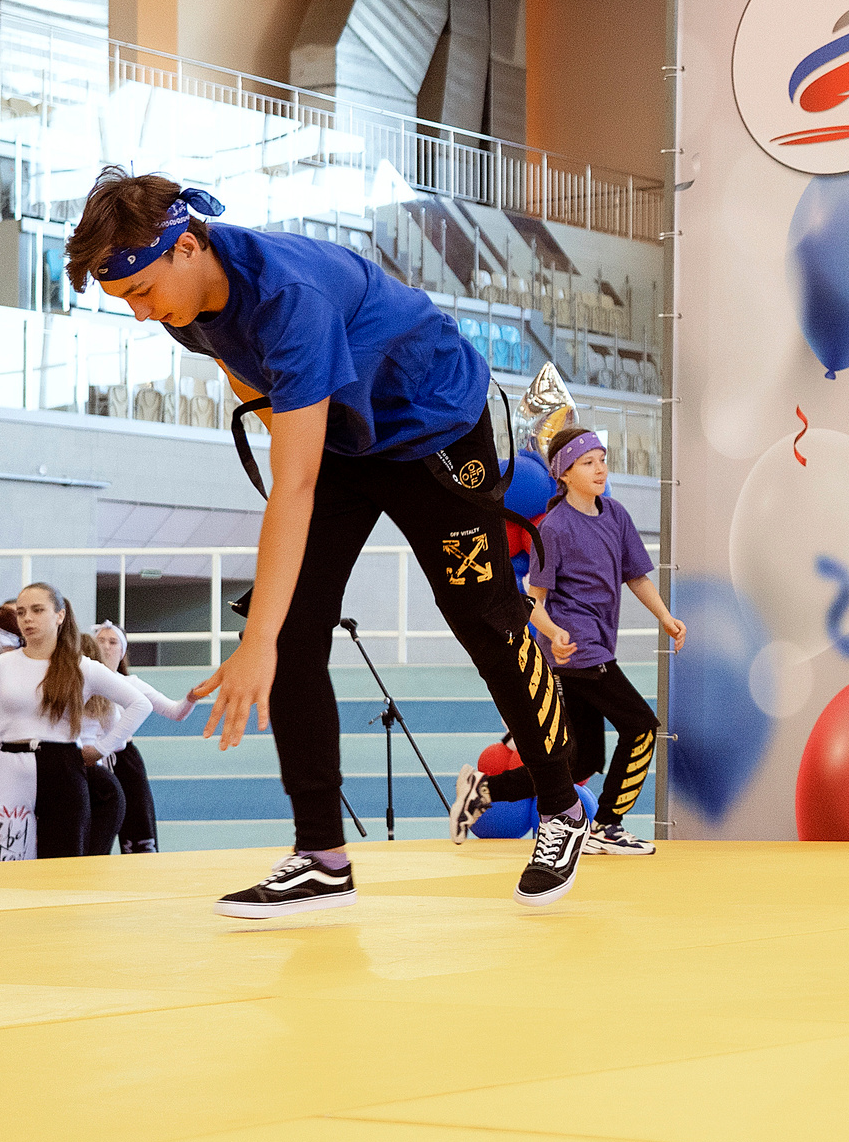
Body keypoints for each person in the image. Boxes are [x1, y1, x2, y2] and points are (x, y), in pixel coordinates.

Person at [66, 169, 583, 916]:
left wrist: (258, 641)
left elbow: (293, 487)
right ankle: (321, 855)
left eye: (142, 292)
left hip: (433, 426)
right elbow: (255, 389)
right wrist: (270, 629)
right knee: (291, 629)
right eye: (128, 302)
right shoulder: (184, 304)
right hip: (346, 436)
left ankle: (564, 810)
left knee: (483, 617)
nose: (143, 315)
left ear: (184, 247)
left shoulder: (290, 302)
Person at [520, 426, 680, 857]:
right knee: (642, 726)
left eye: (603, 459)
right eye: (588, 462)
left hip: (596, 650)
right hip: (578, 651)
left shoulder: (616, 515)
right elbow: (532, 602)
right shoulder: (553, 528)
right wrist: (554, 634)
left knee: (581, 760)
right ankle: (607, 826)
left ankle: (484, 789)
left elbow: (635, 576)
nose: (600, 468)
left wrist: (664, 616)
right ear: (564, 473)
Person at [0, 581, 154, 861]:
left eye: (37, 610)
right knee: (5, 865)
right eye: (21, 612)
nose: (27, 619)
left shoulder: (82, 666)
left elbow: (139, 704)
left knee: (64, 869)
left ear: (59, 615)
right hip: (10, 766)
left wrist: (103, 748)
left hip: (64, 768)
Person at [89, 621, 195, 853]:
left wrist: (191, 698)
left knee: (139, 832)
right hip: (90, 763)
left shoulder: (131, 684)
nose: (106, 646)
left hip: (124, 762)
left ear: (122, 651)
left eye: (112, 642)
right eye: (101, 641)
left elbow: (175, 712)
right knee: (93, 834)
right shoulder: (83, 681)